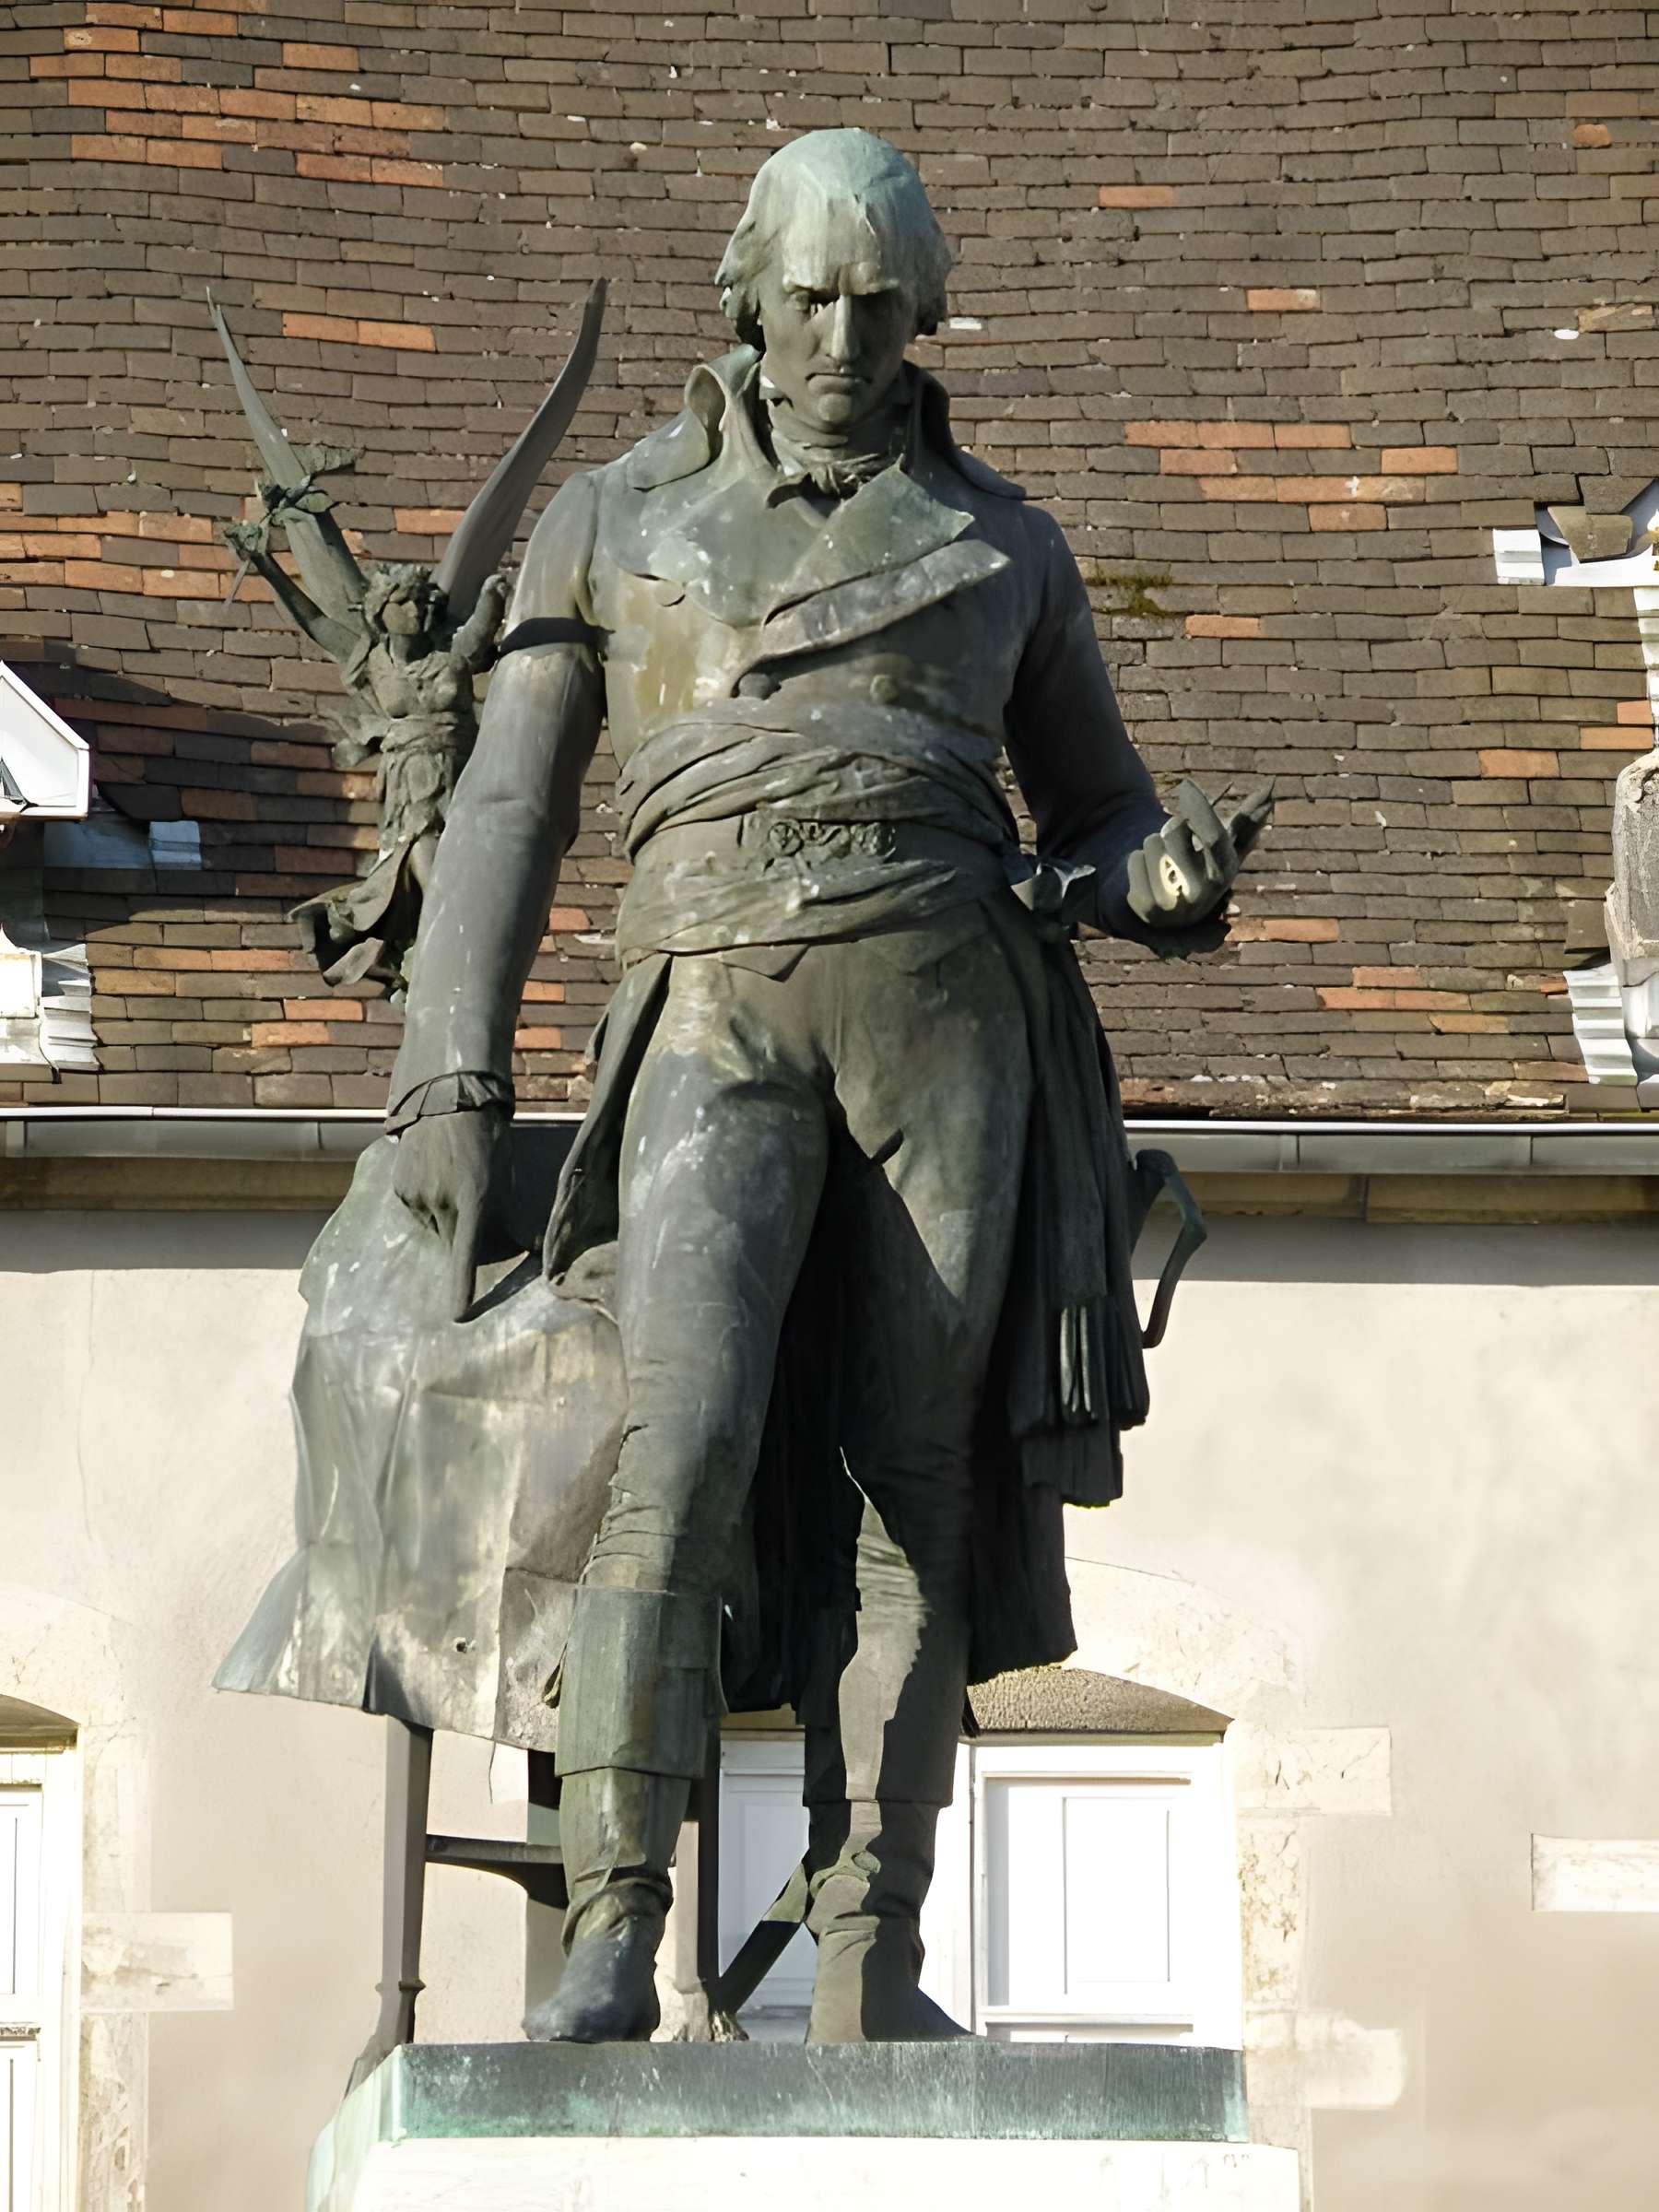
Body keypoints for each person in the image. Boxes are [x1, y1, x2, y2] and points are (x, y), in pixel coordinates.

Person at [387, 129, 1267, 2044]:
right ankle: (613, 1927)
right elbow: (511, 809)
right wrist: (446, 1077)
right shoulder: (617, 520)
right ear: (746, 295)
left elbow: (1099, 807)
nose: (847, 333)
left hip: (947, 1025)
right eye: (813, 294)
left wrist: (1160, 873)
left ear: (929, 309)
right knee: (678, 1452)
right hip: (715, 1005)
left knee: (919, 1495)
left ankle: (879, 1953)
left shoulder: (1010, 545)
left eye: (883, 300)